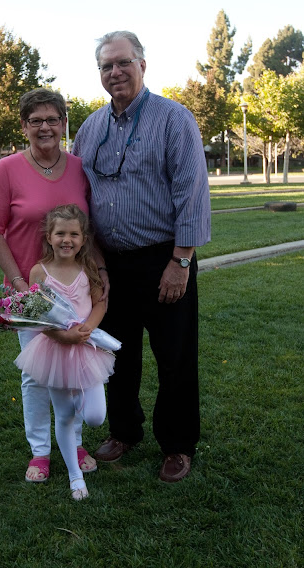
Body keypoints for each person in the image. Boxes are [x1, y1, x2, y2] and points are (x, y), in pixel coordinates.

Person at [72, 31, 211, 483]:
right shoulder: (90, 128)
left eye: (123, 62)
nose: (115, 72)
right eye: (106, 66)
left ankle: (177, 444)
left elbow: (191, 193)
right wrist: (92, 264)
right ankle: (124, 431)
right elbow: (80, 194)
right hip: (110, 263)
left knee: (174, 357)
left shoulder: (174, 119)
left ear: (142, 65)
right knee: (117, 355)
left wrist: (181, 261)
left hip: (163, 259)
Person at [0, 88, 97, 483]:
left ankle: (74, 442)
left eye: (51, 119)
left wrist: (97, 274)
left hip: (74, 287)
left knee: (74, 369)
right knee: (35, 375)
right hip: (31, 293)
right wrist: (18, 284)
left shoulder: (80, 167)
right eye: (35, 121)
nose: (44, 127)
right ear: (24, 126)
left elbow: (90, 227)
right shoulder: (7, 169)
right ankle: (40, 452)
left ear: (64, 123)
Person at [14, 204, 114, 500]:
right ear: (49, 237)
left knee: (95, 416)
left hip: (86, 349)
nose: (66, 240)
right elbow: (36, 316)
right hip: (54, 351)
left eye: (73, 234)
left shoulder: (88, 267)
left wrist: (86, 329)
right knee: (64, 416)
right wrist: (63, 335)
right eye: (60, 233)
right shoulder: (39, 271)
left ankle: (73, 411)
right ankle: (75, 477)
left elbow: (99, 303)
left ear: (83, 239)